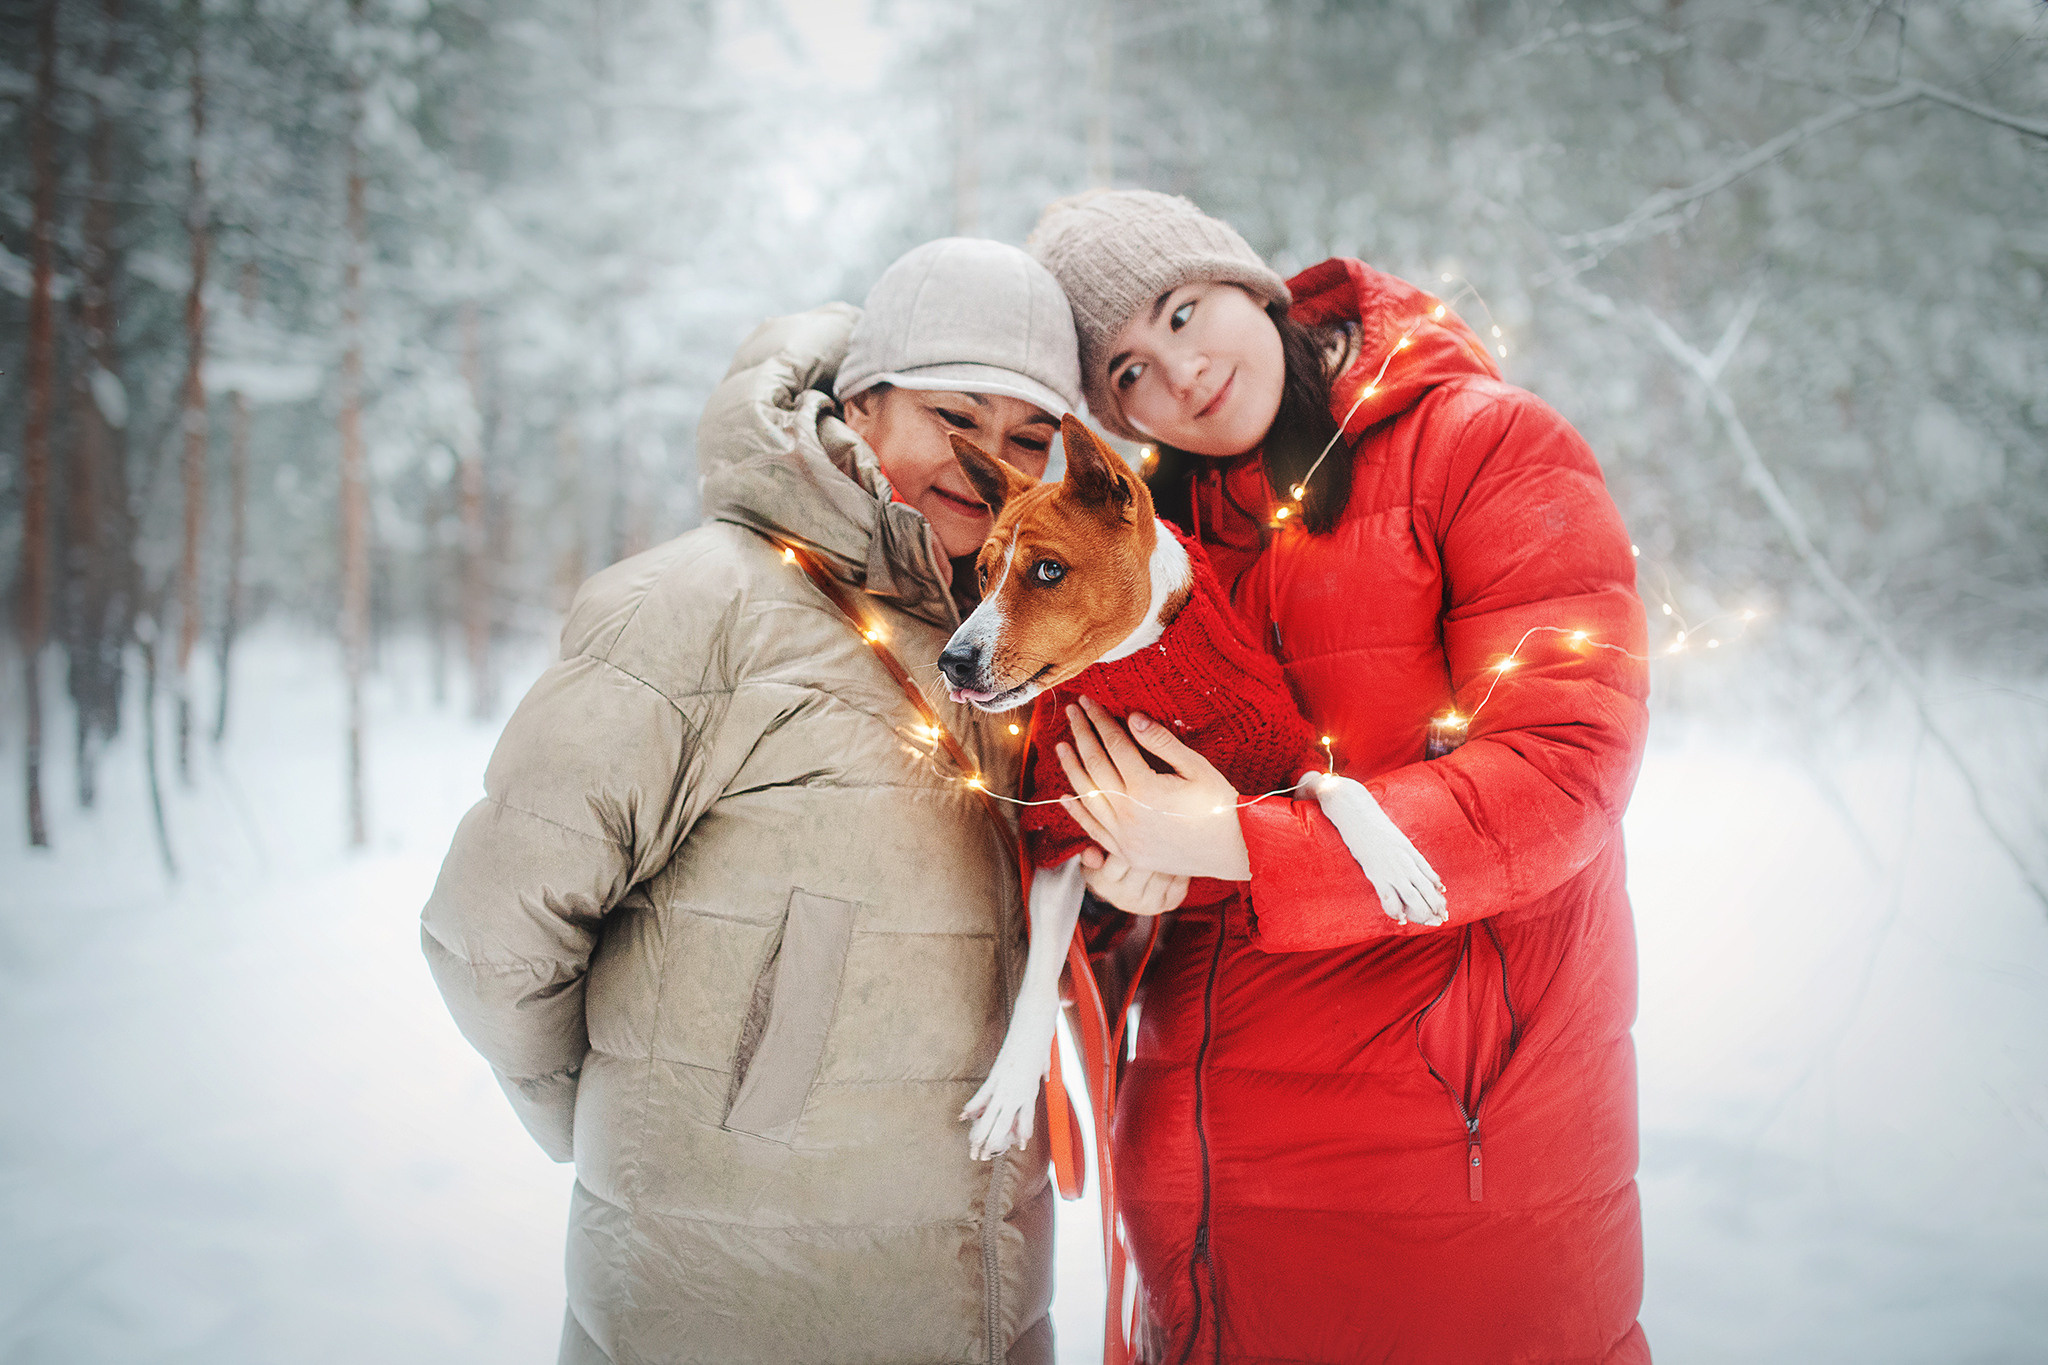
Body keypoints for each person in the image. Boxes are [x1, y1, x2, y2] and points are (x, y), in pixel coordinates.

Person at [420, 237, 1083, 1365]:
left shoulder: (1029, 641)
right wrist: (627, 1118)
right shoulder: (697, 607)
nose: (990, 464)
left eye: (1029, 438)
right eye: (953, 416)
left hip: (977, 1289)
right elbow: (492, 928)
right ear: (861, 404)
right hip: (722, 1295)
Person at [1029, 190, 1653, 1363]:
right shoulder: (1151, 558)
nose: (1176, 372)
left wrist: (1238, 844)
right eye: (1122, 373)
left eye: (1180, 312)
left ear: (1250, 286)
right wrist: (1131, 885)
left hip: (1445, 1180)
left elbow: (1563, 769)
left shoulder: (1481, 445)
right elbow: (1134, 858)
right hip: (1207, 1200)